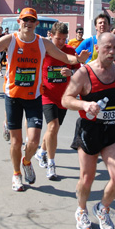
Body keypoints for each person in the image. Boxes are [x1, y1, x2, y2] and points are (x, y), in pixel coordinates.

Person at [0, 8, 89, 192]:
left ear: (36, 24)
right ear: (19, 22)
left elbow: (64, 57)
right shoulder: (10, 40)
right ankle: (16, 174)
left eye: (31, 20)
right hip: (13, 97)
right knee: (15, 141)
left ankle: (27, 161)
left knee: (34, 141)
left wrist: (78, 58)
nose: (28, 23)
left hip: (34, 97)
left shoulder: (43, 43)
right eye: (24, 20)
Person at [62, 32, 115, 229]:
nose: (112, 52)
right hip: (89, 131)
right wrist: (84, 104)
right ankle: (81, 209)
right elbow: (66, 99)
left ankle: (103, 208)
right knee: (87, 178)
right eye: (107, 48)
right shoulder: (84, 73)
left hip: (112, 130)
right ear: (97, 48)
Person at [34, 23, 80, 180]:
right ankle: (51, 163)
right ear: (50, 35)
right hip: (46, 95)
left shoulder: (70, 51)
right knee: (52, 126)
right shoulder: (43, 50)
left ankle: (41, 152)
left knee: (54, 129)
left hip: (64, 96)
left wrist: (71, 72)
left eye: (64, 39)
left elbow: (79, 70)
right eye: (57, 38)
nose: (61, 42)